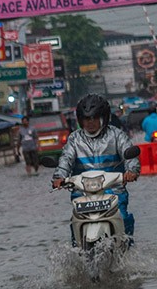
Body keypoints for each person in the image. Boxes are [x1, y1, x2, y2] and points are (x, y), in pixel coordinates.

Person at [52, 94, 140, 240]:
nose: (90, 122)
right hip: (82, 194)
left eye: (94, 118)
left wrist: (132, 171)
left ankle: (127, 247)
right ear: (81, 120)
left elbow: (129, 155)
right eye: (86, 119)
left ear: (104, 118)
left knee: (124, 217)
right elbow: (66, 159)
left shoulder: (117, 135)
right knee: (75, 224)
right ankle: (78, 253)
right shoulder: (74, 139)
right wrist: (59, 177)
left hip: (114, 191)